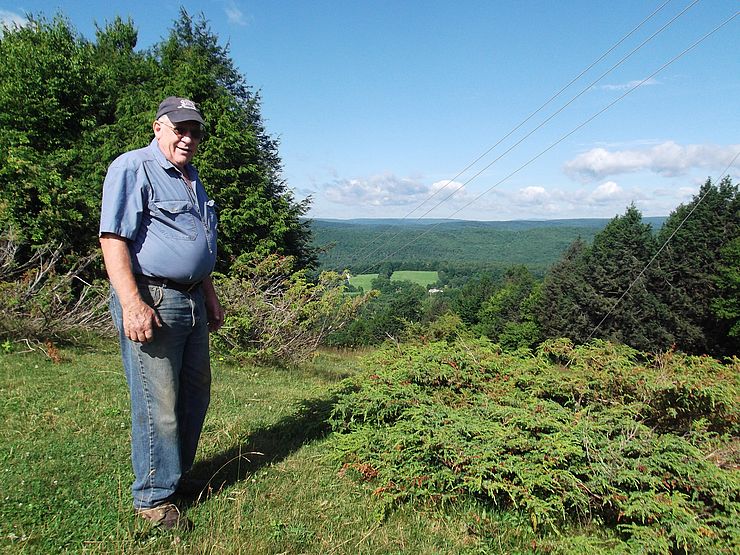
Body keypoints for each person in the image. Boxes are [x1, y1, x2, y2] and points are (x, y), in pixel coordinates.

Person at [99, 96, 225, 530]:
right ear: (158, 127)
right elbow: (113, 238)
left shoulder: (192, 179)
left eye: (195, 131)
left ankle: (175, 478)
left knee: (195, 393)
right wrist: (133, 303)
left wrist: (208, 293)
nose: (188, 138)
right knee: (159, 403)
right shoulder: (133, 168)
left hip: (191, 299)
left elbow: (199, 243)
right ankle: (153, 499)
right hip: (153, 297)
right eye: (180, 128)